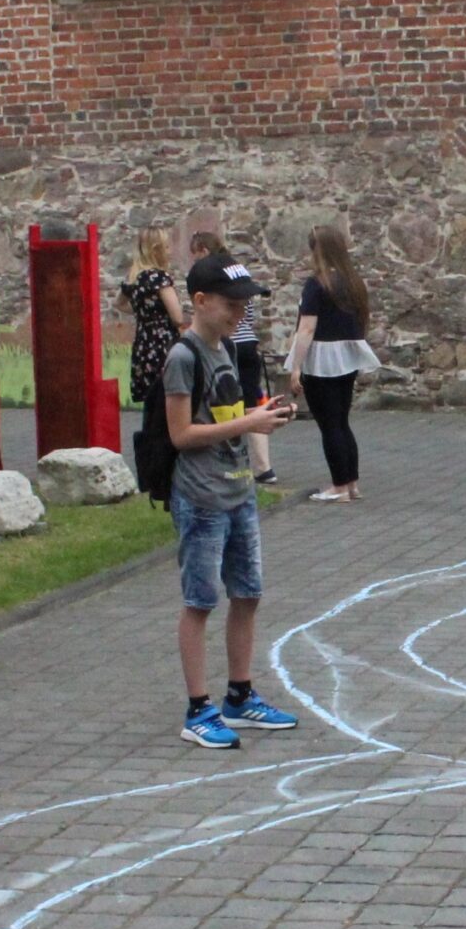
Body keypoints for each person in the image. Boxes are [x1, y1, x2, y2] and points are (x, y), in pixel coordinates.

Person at [165, 251, 300, 749]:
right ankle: (198, 709)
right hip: (202, 497)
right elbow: (182, 434)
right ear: (200, 301)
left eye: (245, 306)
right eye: (231, 305)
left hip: (239, 489)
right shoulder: (184, 357)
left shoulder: (224, 348)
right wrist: (250, 423)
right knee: (200, 601)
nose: (239, 314)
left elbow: (226, 414)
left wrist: (264, 413)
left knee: (248, 594)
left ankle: (239, 696)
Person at [286, 224, 379, 503]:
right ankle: (351, 483)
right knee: (341, 421)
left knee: (329, 425)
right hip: (347, 356)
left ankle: (339, 486)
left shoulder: (317, 284)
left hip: (321, 358)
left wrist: (296, 366)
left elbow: (306, 329)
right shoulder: (353, 283)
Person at [192, 230, 275, 485]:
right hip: (249, 342)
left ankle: (249, 463)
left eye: (195, 254)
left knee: (231, 403)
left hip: (236, 345)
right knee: (248, 399)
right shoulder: (240, 272)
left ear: (203, 250)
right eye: (231, 306)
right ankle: (263, 466)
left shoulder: (215, 280)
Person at [120, 230, 186, 409]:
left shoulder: (133, 277)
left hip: (143, 342)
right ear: (156, 250)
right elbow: (178, 317)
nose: (170, 251)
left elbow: (119, 304)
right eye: (166, 247)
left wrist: (144, 313)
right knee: (168, 397)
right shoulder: (159, 278)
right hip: (163, 342)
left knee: (150, 401)